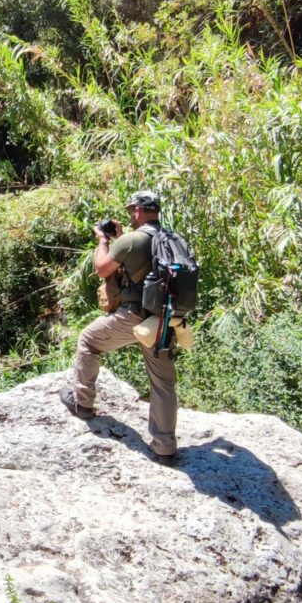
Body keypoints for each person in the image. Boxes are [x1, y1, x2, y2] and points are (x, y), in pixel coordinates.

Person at [60, 190, 178, 462]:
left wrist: (103, 240)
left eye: (131, 212)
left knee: (89, 341)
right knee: (163, 383)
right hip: (164, 319)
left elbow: (102, 268)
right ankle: (165, 446)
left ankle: (82, 403)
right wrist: (120, 237)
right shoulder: (172, 238)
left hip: (134, 317)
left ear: (137, 210)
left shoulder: (131, 240)